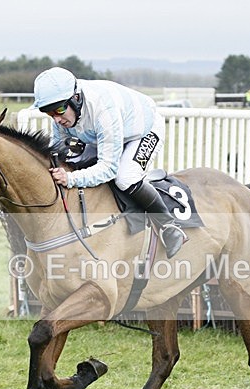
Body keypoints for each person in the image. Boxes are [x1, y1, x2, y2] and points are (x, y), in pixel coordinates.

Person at [31, 67, 184, 258]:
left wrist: (70, 178)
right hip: (105, 133)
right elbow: (57, 154)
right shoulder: (62, 116)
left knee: (125, 177)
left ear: (76, 98)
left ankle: (169, 226)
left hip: (144, 129)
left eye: (60, 109)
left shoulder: (102, 108)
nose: (56, 119)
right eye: (49, 113)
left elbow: (108, 168)